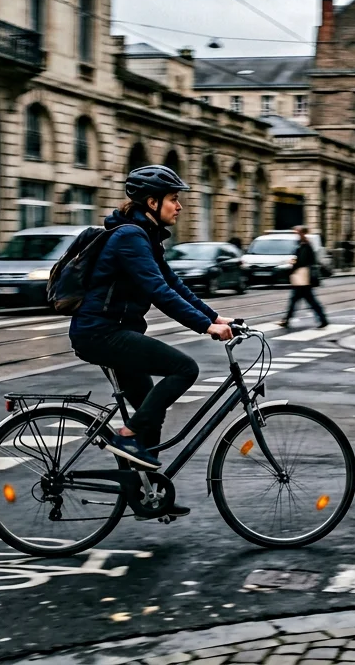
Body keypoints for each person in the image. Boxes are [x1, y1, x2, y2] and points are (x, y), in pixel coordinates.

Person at [71, 164, 235, 490]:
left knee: (152, 413)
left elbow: (172, 283)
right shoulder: (130, 237)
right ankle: (127, 436)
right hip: (101, 333)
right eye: (174, 199)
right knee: (184, 369)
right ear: (151, 203)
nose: (180, 206)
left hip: (114, 332)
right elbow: (157, 292)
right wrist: (204, 327)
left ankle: (143, 493)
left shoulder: (144, 235)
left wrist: (215, 317)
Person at [280, 225, 329, 328]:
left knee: (306, 301)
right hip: (302, 278)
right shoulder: (303, 244)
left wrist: (291, 268)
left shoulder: (305, 245)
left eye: (297, 233)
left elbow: (301, 262)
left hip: (302, 278)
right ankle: (287, 320)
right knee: (298, 300)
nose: (296, 234)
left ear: (302, 233)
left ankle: (323, 319)